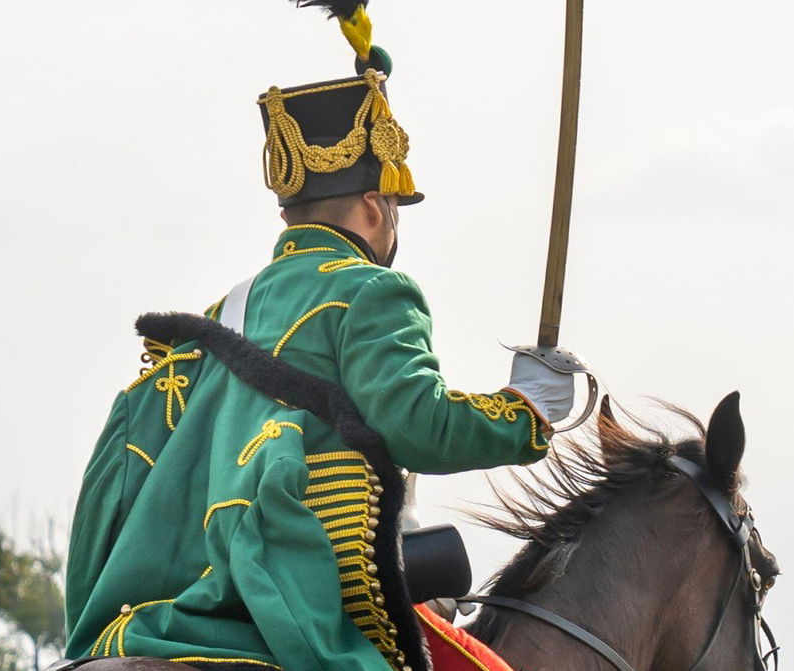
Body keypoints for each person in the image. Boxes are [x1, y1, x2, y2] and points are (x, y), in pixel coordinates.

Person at [62, 64, 576, 671]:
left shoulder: (217, 315)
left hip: (161, 606)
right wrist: (527, 410)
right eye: (393, 206)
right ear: (374, 206)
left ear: (289, 216)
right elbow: (417, 425)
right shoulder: (373, 292)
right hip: (287, 593)